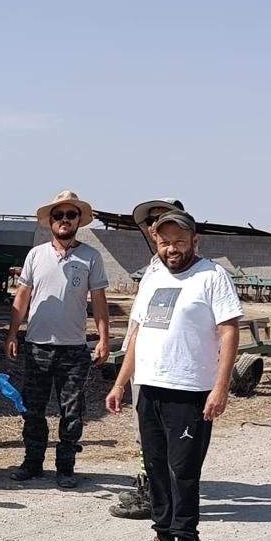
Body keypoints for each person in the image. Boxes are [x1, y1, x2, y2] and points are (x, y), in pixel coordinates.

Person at [106, 208, 242, 541]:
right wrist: (120, 383)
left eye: (180, 241)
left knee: (183, 473)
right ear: (156, 241)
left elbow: (230, 331)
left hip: (190, 393)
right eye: (165, 242)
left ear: (194, 240)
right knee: (156, 470)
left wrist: (220, 387)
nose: (172, 249)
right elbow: (138, 334)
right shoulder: (152, 276)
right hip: (150, 388)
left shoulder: (212, 277)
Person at [4, 189, 110, 488]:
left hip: (73, 351)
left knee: (72, 412)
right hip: (38, 346)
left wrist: (103, 339)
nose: (64, 220)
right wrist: (12, 334)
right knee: (33, 409)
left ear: (78, 220)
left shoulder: (91, 257)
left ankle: (65, 468)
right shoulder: (36, 255)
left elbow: (99, 301)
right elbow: (22, 297)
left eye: (70, 215)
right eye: (58, 215)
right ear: (50, 221)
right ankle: (32, 463)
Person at [109, 197, 188, 520]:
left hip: (171, 368)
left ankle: (159, 498)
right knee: (145, 429)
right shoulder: (155, 267)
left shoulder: (190, 270)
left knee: (165, 434)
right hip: (144, 363)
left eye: (162, 217)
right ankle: (151, 487)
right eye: (150, 221)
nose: (154, 225)